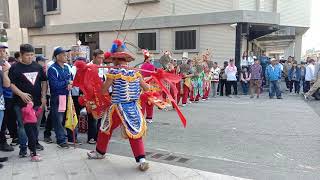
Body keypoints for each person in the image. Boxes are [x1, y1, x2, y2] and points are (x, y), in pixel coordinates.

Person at [87, 39, 150, 171]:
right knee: (134, 132)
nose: (111, 62)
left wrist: (98, 82)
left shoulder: (114, 73)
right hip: (132, 107)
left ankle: (99, 152)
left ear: (116, 60)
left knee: (105, 129)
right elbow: (146, 88)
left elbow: (103, 90)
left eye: (113, 60)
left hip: (118, 107)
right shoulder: (136, 72)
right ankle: (142, 159)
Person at [9, 44, 46, 157]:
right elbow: (11, 84)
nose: (30, 57)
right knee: (22, 126)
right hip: (20, 103)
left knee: (35, 126)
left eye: (32, 55)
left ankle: (34, 144)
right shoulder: (15, 68)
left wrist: (43, 96)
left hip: (37, 102)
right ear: (21, 55)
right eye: (27, 55)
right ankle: (23, 148)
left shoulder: (38, 67)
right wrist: (21, 94)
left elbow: (44, 81)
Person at [47, 47, 73, 148]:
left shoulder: (66, 67)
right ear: (57, 56)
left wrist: (70, 84)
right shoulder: (52, 69)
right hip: (58, 96)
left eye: (66, 54)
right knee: (58, 119)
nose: (66, 56)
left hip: (67, 96)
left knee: (66, 117)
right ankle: (61, 140)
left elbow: (71, 79)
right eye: (63, 54)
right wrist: (67, 83)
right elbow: (54, 85)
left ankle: (67, 137)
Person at [87, 49, 107, 144]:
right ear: (93, 57)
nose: (101, 60)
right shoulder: (88, 67)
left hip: (102, 95)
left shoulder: (104, 68)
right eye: (99, 58)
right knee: (92, 116)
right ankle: (91, 137)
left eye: (102, 58)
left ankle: (98, 137)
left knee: (101, 116)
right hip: (91, 96)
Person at [0, 44, 12, 168]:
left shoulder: (2, 66)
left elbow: (7, 84)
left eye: (4, 51)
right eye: (1, 51)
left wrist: (6, 71)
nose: (3, 53)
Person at [140, 49, 155, 122]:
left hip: (142, 84)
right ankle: (149, 117)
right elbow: (153, 76)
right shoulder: (151, 66)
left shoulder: (141, 65)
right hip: (149, 85)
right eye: (150, 58)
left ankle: (142, 116)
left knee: (142, 101)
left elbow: (140, 75)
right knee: (150, 101)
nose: (151, 59)